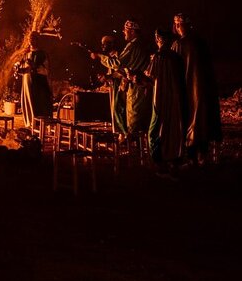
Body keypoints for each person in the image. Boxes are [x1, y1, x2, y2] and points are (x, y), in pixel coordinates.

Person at [171, 13, 222, 166]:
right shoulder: (200, 42)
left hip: (188, 90)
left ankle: (194, 156)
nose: (178, 27)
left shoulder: (179, 45)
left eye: (179, 24)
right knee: (202, 120)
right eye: (176, 24)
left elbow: (174, 69)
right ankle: (201, 154)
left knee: (191, 120)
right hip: (202, 90)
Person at [91, 20, 152, 142]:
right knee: (136, 118)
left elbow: (117, 64)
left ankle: (136, 151)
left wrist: (99, 56)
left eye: (126, 30)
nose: (123, 32)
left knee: (134, 118)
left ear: (133, 31)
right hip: (138, 86)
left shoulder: (133, 45)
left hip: (137, 87)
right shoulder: (141, 44)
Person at [138, 28, 186, 177]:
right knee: (172, 129)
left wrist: (136, 78)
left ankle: (160, 163)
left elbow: (150, 78)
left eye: (157, 38)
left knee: (155, 130)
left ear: (159, 40)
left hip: (161, 99)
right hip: (176, 99)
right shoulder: (176, 57)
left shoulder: (159, 57)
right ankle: (174, 159)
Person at [91, 35, 127, 134]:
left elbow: (121, 70)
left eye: (105, 43)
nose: (102, 46)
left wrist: (109, 77)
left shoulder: (118, 54)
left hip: (120, 85)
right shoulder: (110, 55)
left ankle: (124, 133)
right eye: (102, 43)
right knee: (114, 110)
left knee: (118, 109)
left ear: (111, 44)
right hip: (113, 86)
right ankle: (118, 132)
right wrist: (106, 78)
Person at [16, 31, 52, 128]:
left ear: (37, 40)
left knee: (38, 104)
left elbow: (45, 70)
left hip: (38, 84)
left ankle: (39, 125)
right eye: (29, 38)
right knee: (28, 102)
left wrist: (34, 67)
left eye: (33, 38)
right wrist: (18, 69)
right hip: (27, 82)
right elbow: (23, 68)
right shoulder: (25, 54)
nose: (30, 40)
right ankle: (29, 123)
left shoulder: (42, 54)